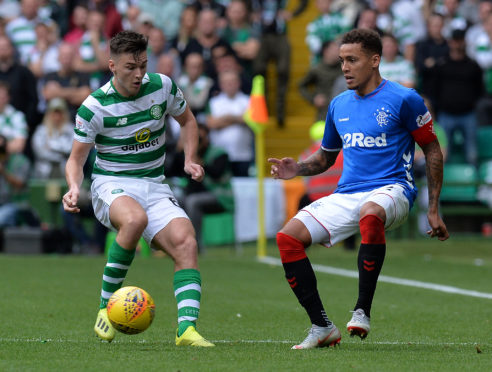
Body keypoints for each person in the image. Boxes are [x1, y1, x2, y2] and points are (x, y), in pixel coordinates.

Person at [268, 28, 449, 350]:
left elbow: (432, 150)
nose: (345, 67)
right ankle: (322, 326)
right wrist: (298, 168)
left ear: (375, 60)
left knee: (370, 214)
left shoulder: (404, 98)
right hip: (347, 193)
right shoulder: (339, 105)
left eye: (353, 60)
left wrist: (433, 207)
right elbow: (326, 157)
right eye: (341, 61)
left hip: (393, 189)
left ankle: (362, 310)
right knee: (287, 238)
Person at [62, 30, 214, 347]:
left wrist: (189, 159)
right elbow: (76, 159)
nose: (139, 73)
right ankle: (105, 309)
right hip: (112, 184)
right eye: (131, 67)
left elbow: (187, 121)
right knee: (134, 219)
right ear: (112, 65)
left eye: (143, 65)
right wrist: (74, 188)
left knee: (186, 242)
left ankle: (186, 330)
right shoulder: (94, 107)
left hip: (154, 185)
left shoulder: (162, 87)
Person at [168, 124, 234, 253]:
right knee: (173, 201)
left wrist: (199, 160)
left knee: (193, 201)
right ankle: (174, 243)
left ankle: (194, 245)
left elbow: (217, 173)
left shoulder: (219, 153)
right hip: (192, 194)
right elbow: (170, 172)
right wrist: (179, 152)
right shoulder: (186, 155)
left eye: (200, 138)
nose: (197, 141)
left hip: (219, 196)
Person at [206, 70, 253, 177]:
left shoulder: (248, 100)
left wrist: (226, 118)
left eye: (232, 81)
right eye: (226, 82)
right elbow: (212, 124)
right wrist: (237, 119)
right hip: (219, 155)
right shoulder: (213, 102)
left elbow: (249, 120)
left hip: (243, 154)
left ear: (238, 83)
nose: (230, 85)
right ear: (221, 84)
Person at [298, 40, 344, 121]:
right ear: (326, 51)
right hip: (324, 114)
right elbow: (301, 86)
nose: (338, 53)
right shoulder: (317, 69)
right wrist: (313, 99)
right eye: (335, 50)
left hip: (342, 112)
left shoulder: (344, 68)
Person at [0, 81, 28, 154]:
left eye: (2, 97)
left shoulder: (18, 116)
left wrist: (3, 144)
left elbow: (19, 146)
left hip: (10, 158)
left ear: (8, 98)